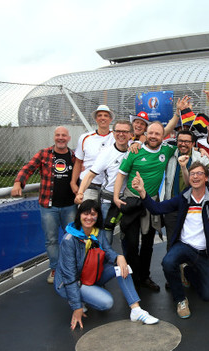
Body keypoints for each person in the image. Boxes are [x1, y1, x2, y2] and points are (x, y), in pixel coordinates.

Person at [133, 161, 209, 318]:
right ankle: (180, 299)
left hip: (206, 253)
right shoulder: (182, 198)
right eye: (192, 174)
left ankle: (187, 271)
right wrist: (142, 192)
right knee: (168, 262)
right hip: (185, 246)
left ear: (206, 178)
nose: (195, 177)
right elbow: (157, 208)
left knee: (207, 296)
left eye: (199, 173)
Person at [54, 200, 159, 329]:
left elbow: (107, 251)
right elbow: (69, 277)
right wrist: (76, 307)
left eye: (93, 214)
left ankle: (136, 310)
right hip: (72, 282)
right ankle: (81, 299)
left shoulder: (97, 231)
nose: (89, 218)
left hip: (90, 274)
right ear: (79, 215)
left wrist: (119, 257)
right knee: (106, 302)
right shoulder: (69, 240)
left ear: (98, 216)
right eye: (85, 214)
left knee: (122, 267)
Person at [113, 121, 179, 292]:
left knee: (148, 243)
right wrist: (115, 197)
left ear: (162, 136)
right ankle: (131, 277)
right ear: (146, 134)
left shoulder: (166, 149)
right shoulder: (134, 151)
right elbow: (121, 175)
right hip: (132, 200)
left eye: (158, 134)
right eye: (151, 133)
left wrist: (177, 113)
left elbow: (181, 140)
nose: (154, 136)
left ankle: (144, 277)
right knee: (132, 243)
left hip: (151, 203)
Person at [12, 126, 77, 284]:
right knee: (51, 239)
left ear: (69, 138)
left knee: (73, 238)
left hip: (70, 205)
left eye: (64, 135)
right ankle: (55, 269)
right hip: (49, 206)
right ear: (54, 137)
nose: (60, 138)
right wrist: (17, 183)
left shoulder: (74, 156)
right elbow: (27, 168)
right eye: (58, 135)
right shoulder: (44, 153)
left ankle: (72, 267)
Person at [75, 120, 133, 243]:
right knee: (106, 237)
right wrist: (80, 193)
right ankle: (105, 261)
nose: (121, 134)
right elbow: (90, 175)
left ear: (130, 135)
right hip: (109, 200)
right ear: (113, 133)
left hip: (128, 200)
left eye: (125, 131)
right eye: (118, 131)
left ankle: (127, 262)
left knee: (129, 236)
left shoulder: (134, 150)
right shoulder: (106, 153)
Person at [163, 130, 209, 249]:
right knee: (172, 242)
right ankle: (173, 267)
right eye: (180, 141)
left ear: (193, 143)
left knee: (193, 242)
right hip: (173, 205)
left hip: (193, 207)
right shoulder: (170, 154)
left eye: (187, 141)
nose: (183, 144)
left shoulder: (200, 157)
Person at [71, 105, 116, 200]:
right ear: (96, 119)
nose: (102, 118)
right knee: (87, 213)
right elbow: (78, 162)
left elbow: (138, 136)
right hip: (88, 184)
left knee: (106, 214)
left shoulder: (118, 136)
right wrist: (73, 182)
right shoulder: (85, 138)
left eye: (106, 115)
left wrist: (139, 141)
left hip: (109, 186)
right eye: (99, 115)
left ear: (110, 119)